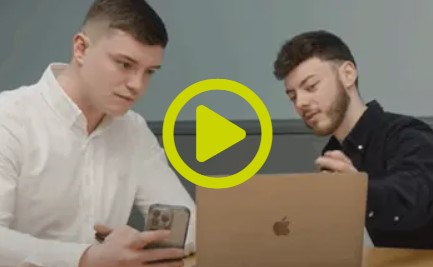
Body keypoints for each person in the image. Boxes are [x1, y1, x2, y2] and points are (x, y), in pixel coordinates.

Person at [0, 0, 196, 266]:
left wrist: (138, 247)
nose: (137, 85)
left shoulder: (133, 131)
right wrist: (85, 258)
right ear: (80, 48)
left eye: (149, 72)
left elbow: (187, 224)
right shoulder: (8, 118)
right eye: (125, 64)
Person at [272, 30, 433, 249]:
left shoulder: (408, 134)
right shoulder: (333, 154)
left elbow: (412, 198)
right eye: (293, 96)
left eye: (311, 87)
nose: (300, 103)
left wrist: (358, 191)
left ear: (348, 74)